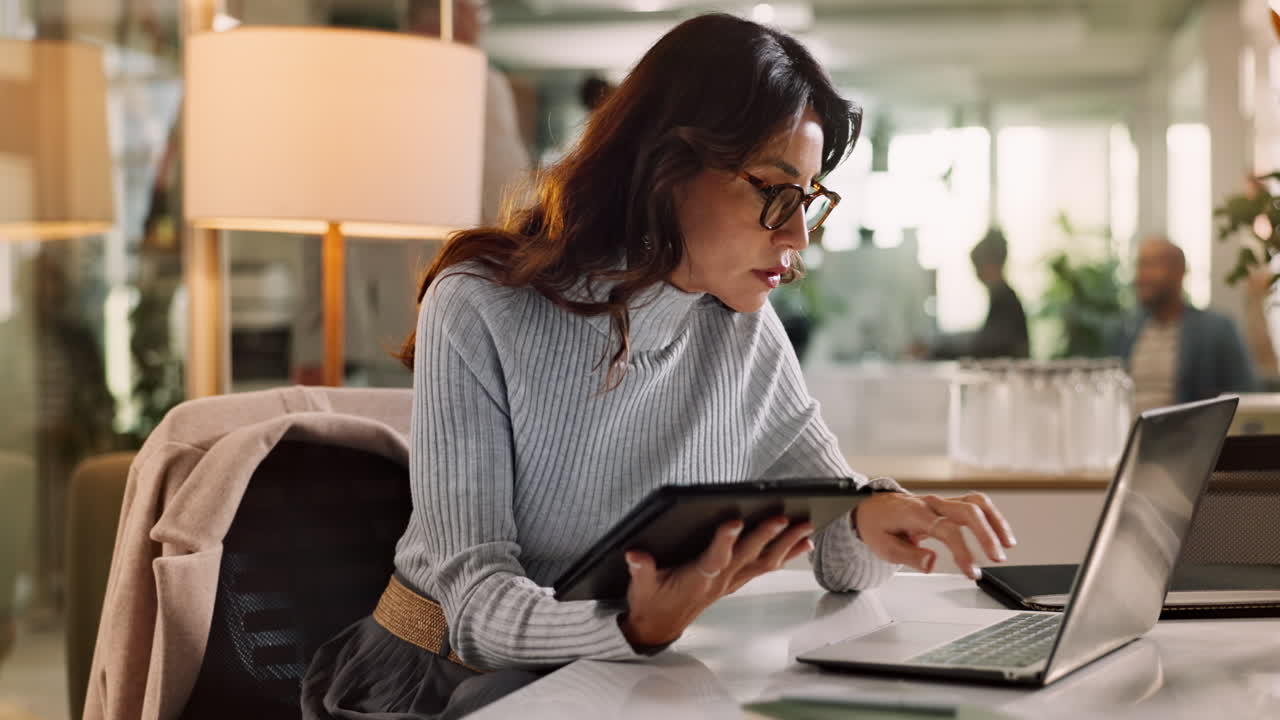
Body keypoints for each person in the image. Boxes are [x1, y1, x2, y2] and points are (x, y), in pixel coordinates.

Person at [301, 14, 1015, 719]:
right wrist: (633, 628)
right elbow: (475, 610)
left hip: (607, 673)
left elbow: (839, 556)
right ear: (666, 168)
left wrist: (870, 514)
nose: (800, 235)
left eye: (810, 200)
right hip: (438, 681)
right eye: (776, 191)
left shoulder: (739, 325)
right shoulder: (481, 305)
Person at [1112, 236, 1258, 413]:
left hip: (1186, 437)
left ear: (1179, 272)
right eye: (1140, 266)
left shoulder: (1216, 330)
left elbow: (1249, 396)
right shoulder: (1126, 332)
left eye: (1152, 265)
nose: (1142, 276)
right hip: (1127, 436)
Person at [968, 228, 1029, 359]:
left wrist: (936, 352)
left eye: (978, 266)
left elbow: (986, 348)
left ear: (991, 264)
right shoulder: (1001, 297)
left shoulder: (1006, 301)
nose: (976, 274)